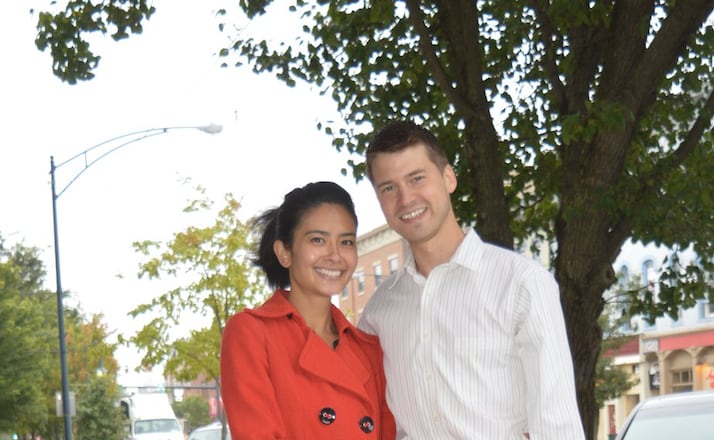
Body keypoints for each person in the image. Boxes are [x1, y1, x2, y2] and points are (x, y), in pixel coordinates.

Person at [357, 121, 585, 439]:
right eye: (389, 187)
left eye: (417, 178)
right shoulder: (378, 313)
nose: (406, 198)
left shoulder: (522, 284)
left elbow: (556, 423)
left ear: (448, 177)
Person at [221, 181, 395, 440]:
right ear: (284, 252)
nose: (335, 255)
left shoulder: (368, 349)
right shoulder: (251, 333)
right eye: (318, 240)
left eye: (346, 242)